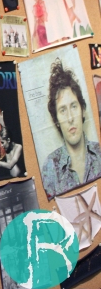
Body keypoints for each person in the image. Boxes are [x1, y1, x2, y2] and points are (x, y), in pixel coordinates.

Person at [42, 59, 101, 198]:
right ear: (56, 120)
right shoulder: (50, 167)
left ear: (83, 110)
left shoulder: (99, 153)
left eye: (74, 106)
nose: (70, 118)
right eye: (62, 110)